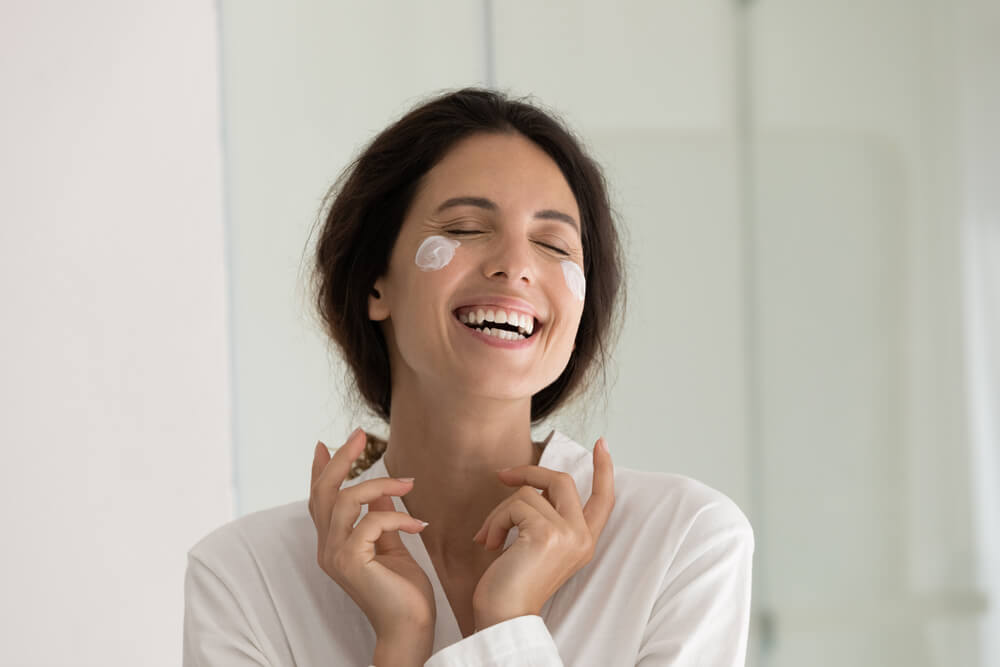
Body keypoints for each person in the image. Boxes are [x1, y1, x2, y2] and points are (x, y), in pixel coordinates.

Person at [183, 87, 754, 666]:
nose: (516, 265)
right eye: (464, 228)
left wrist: (510, 621)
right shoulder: (245, 579)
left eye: (553, 243)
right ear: (376, 282)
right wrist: (400, 639)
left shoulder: (684, 542)